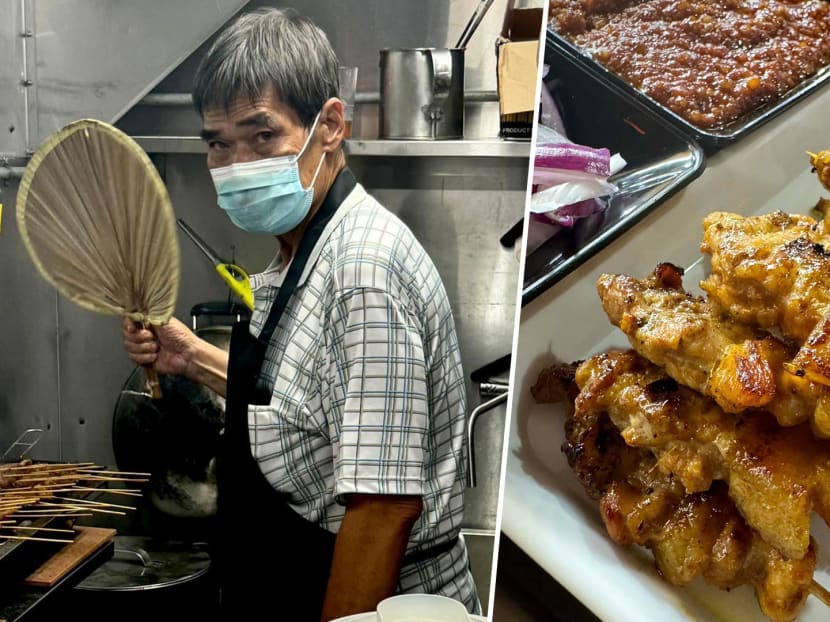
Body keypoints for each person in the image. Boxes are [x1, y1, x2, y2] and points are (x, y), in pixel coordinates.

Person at [121, 7, 479, 621]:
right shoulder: (304, 250)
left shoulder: (362, 270)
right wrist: (194, 359)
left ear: (330, 125)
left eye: (262, 136)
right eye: (218, 143)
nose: (237, 165)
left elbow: (383, 509)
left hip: (380, 601)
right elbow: (310, 410)